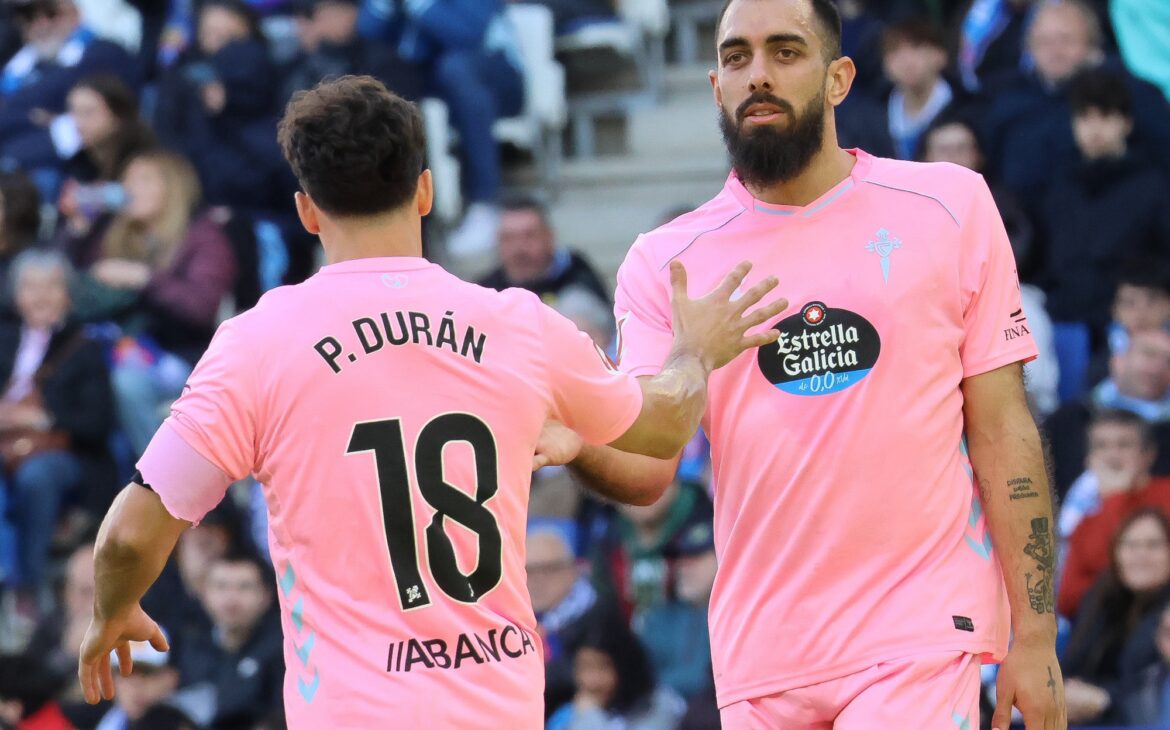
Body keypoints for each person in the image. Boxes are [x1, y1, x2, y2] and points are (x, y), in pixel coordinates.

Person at [75, 75, 788, 727]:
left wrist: (114, 610)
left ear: (307, 211)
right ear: (424, 192)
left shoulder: (256, 344)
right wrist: (693, 351)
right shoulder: (519, 324)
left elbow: (130, 536)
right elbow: (662, 431)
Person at [540, 0, 1067, 726]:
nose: (758, 74)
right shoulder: (666, 262)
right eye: (737, 58)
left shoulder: (947, 206)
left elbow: (1004, 430)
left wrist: (1035, 636)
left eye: (785, 52)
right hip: (761, 655)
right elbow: (650, 467)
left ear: (838, 78)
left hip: (917, 633)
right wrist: (578, 444)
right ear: (716, 87)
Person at [60, 149, 237, 457]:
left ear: (172, 187)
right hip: (113, 349)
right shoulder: (116, 231)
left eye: (143, 180)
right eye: (127, 180)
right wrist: (78, 229)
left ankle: (158, 477)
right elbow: (64, 289)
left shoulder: (203, 236)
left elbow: (200, 307)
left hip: (181, 356)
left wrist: (144, 278)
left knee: (129, 380)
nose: (130, 188)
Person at [1, 249, 115, 617]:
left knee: (37, 476)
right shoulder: (4, 339)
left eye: (51, 287)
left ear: (68, 294)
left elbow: (97, 422)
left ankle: (28, 587)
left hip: (65, 452)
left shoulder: (84, 346)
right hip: (7, 444)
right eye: (31, 287)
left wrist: (42, 419)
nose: (41, 297)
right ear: (16, 295)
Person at [1032, 68, 1170, 341]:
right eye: (1085, 117)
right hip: (1061, 317)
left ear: (1126, 123)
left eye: (1105, 116)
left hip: (1128, 326)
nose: (1094, 128)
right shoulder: (1059, 185)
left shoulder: (1154, 186)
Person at [1060, 508, 1170, 725]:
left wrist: (1104, 699)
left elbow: (1154, 689)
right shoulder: (1102, 596)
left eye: (1153, 545)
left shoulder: (1167, 616)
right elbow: (1072, 662)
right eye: (1130, 545)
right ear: (1116, 552)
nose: (1141, 554)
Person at [1058, 409, 1170, 616]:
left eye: (1124, 445)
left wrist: (1115, 497)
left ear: (1148, 454)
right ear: (1089, 458)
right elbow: (1068, 600)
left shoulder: (1166, 494)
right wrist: (1115, 498)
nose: (1112, 456)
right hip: (1111, 624)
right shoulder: (1086, 520)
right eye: (1101, 446)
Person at [1044, 328, 1170, 496]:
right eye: (1149, 354)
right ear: (1118, 361)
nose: (1157, 367)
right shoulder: (1066, 420)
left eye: (1168, 361)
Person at [176, 549, 283, 729]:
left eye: (244, 587)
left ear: (266, 596)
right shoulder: (190, 645)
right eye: (221, 586)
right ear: (203, 594)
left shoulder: (283, 649)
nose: (231, 599)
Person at [526, 523, 617, 719]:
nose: (538, 579)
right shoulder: (515, 620)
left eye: (549, 569)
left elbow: (588, 674)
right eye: (529, 570)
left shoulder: (597, 614)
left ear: (572, 569)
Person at [545, 610, 686, 730]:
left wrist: (590, 716)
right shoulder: (567, 714)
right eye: (584, 667)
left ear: (624, 666)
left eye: (603, 667)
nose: (591, 680)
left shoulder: (659, 706)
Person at [478, 197, 610, 308]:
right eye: (508, 238)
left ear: (549, 236)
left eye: (529, 236)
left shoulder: (578, 277)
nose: (519, 249)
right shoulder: (485, 290)